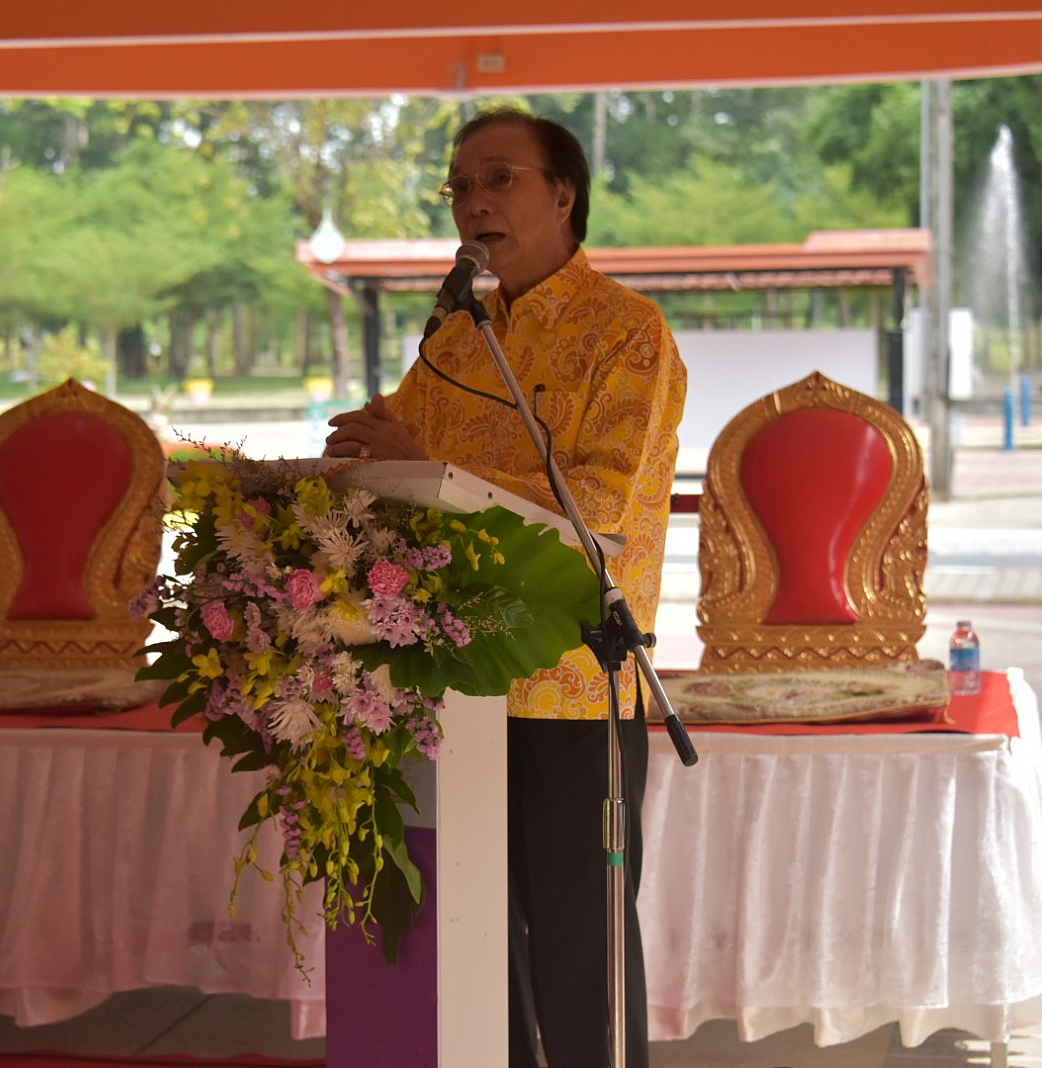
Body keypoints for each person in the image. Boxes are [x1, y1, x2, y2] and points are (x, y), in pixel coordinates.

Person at [325, 107, 686, 1067]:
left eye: (498, 179)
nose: (473, 202)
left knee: (579, 952)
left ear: (563, 194)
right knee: (479, 946)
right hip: (453, 686)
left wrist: (422, 459)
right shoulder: (453, 339)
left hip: (572, 683)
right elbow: (398, 467)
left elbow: (598, 506)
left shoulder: (627, 333)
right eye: (459, 186)